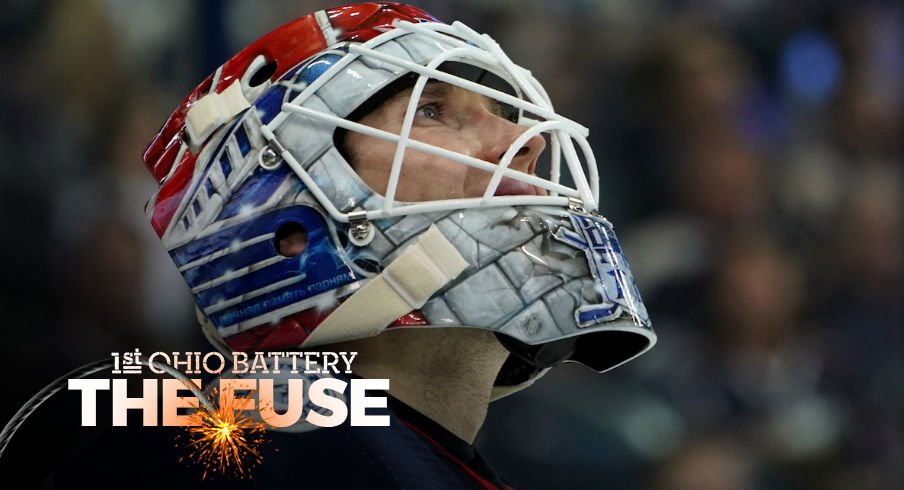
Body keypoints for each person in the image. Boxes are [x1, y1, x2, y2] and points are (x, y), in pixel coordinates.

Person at [42, 3, 655, 488]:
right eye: (434, 111)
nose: (525, 141)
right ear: (284, 218)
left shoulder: (380, 457)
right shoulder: (219, 450)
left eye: (506, 110)